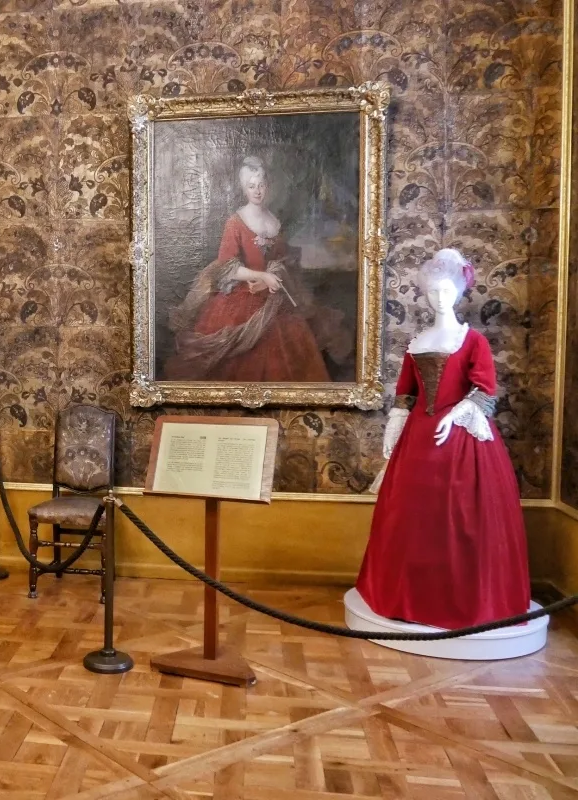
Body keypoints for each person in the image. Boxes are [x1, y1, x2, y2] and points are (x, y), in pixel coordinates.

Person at [356, 248, 530, 628]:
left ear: (459, 290)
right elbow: (405, 393)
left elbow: (485, 390)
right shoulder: (417, 342)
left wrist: (456, 415)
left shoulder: (473, 342)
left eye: (446, 290)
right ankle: (406, 597)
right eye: (432, 291)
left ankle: (464, 603)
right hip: (418, 438)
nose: (439, 298)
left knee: (463, 518)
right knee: (410, 518)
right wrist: (394, 427)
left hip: (462, 441)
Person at [164, 157, 332, 382]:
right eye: (251, 186)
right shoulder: (235, 222)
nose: (257, 191)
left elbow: (282, 261)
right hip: (241, 294)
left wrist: (273, 276)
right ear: (244, 189)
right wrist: (261, 275)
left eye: (261, 185)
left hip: (272, 293)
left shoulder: (275, 221)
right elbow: (228, 268)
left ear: (268, 186)